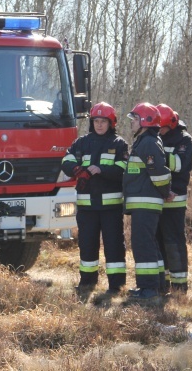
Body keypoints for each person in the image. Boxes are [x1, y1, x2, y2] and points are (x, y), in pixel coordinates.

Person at [61, 102, 129, 295]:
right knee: (87, 245)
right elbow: (66, 159)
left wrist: (102, 170)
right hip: (87, 208)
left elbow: (123, 168)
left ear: (111, 123)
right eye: (96, 121)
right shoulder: (81, 142)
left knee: (114, 246)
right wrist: (77, 170)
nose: (99, 125)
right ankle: (87, 283)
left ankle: (116, 286)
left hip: (111, 208)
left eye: (103, 121)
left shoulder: (119, 144)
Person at [124, 103, 171, 300]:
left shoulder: (148, 143)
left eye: (135, 119)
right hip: (142, 203)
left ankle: (148, 289)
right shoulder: (144, 142)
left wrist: (165, 191)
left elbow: (159, 173)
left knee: (143, 245)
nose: (132, 123)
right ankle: (157, 285)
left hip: (146, 203)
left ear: (145, 121)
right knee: (149, 244)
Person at [155, 104, 192, 294]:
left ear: (171, 124)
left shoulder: (184, 139)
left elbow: (179, 165)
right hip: (156, 199)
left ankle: (179, 287)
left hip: (174, 199)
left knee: (174, 242)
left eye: (161, 127)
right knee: (158, 242)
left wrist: (155, 156)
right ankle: (163, 284)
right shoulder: (154, 137)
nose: (159, 131)